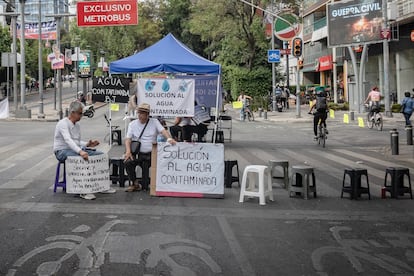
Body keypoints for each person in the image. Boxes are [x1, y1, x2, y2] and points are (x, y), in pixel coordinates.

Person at [53, 101, 116, 200]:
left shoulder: (77, 125)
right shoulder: (63, 124)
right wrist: (80, 152)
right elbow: (68, 140)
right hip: (62, 151)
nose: (81, 116)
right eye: (80, 113)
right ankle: (82, 191)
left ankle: (101, 185)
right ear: (72, 112)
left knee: (102, 156)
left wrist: (87, 144)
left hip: (74, 149)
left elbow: (76, 142)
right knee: (81, 159)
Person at [124, 103, 176, 192]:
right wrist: (128, 151)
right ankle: (134, 182)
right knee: (128, 162)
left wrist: (169, 138)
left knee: (160, 163)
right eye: (139, 113)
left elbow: (163, 131)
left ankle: (159, 183)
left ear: (147, 115)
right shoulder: (132, 124)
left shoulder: (154, 122)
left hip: (151, 153)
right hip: (138, 153)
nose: (140, 115)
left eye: (142, 113)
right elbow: (128, 139)